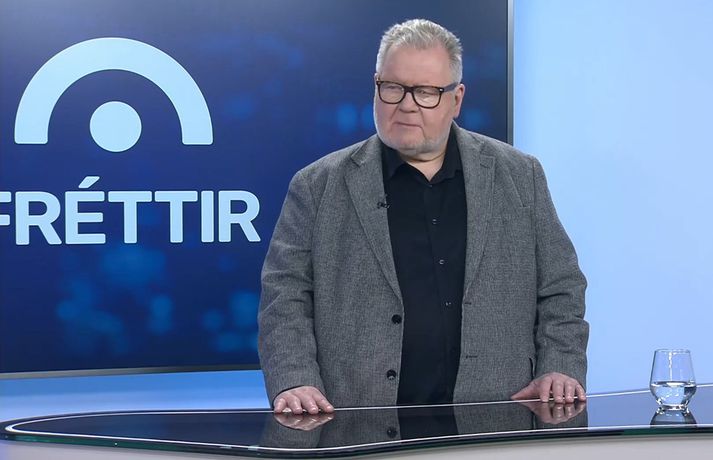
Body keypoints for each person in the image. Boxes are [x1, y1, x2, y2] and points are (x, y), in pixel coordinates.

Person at [258, 19, 588, 415]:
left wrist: (559, 366)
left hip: (496, 417)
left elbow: (561, 286)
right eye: (393, 87)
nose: (407, 104)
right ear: (376, 86)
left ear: (456, 99)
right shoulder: (317, 185)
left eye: (426, 92)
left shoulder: (520, 175)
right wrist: (295, 379)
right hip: (359, 422)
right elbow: (285, 296)